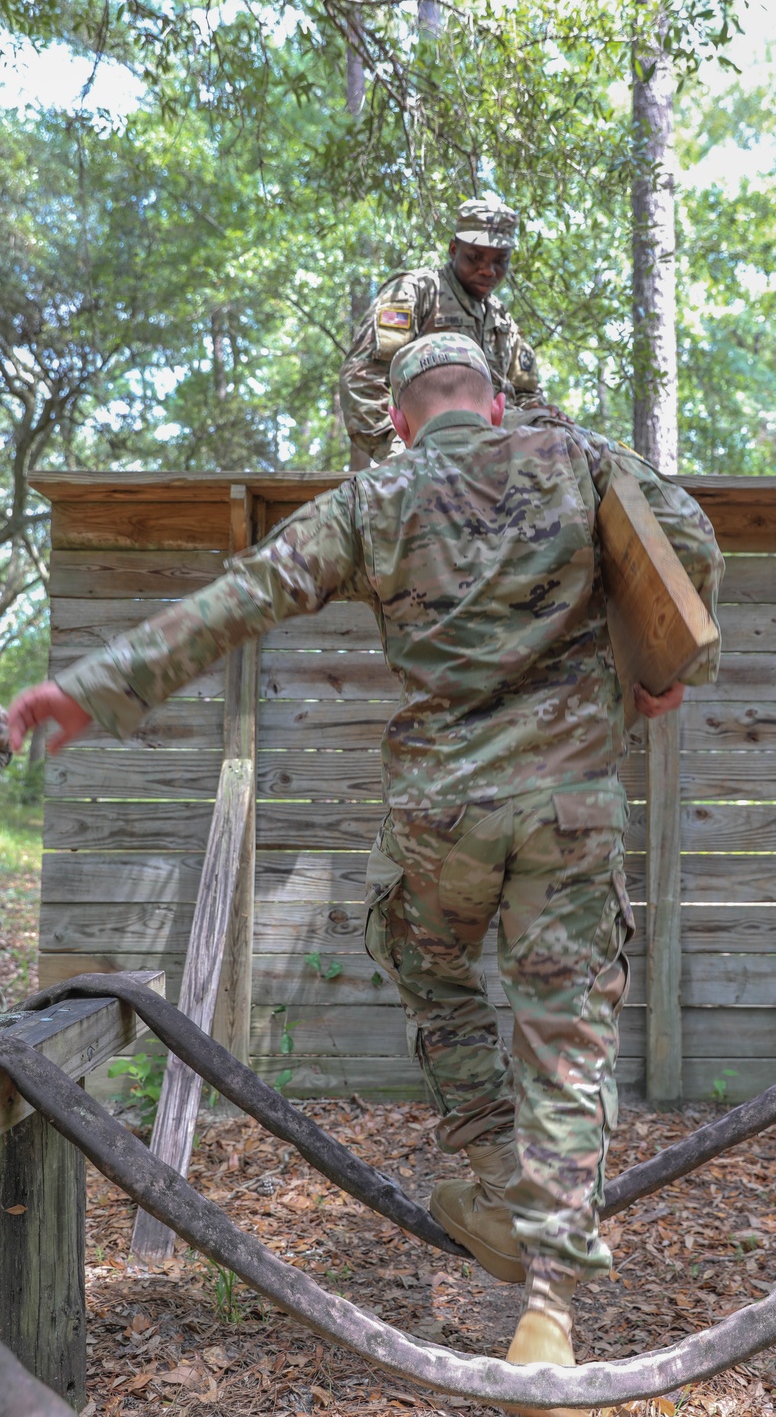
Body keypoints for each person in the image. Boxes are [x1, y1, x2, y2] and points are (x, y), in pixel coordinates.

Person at [7, 335, 722, 1415]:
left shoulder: (373, 495)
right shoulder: (576, 454)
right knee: (567, 1033)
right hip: (569, 802)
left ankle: (487, 1167)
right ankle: (549, 1312)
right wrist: (663, 673)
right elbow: (690, 547)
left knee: (418, 945)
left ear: (398, 417)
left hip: (442, 813)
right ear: (489, 401)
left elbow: (239, 598)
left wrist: (92, 687)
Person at [339, 197, 543, 466]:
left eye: (500, 261)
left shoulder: (502, 319)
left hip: (497, 464)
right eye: (475, 257)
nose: (487, 270)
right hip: (432, 457)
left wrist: (542, 427)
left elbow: (529, 396)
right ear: (453, 249)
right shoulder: (418, 292)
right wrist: (398, 451)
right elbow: (361, 378)